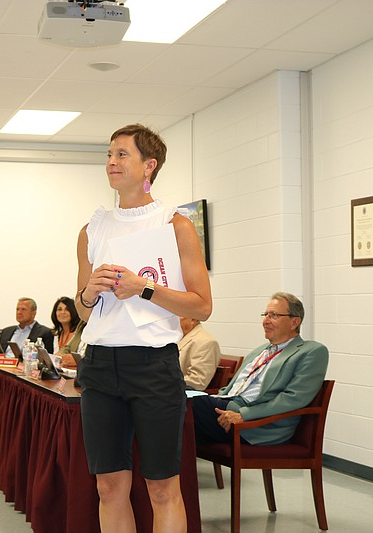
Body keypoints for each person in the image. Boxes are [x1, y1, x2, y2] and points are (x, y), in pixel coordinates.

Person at [74, 124, 212, 533]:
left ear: (148, 165)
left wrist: (144, 288)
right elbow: (84, 314)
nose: (112, 163)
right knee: (109, 485)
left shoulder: (176, 225)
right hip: (99, 365)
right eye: (109, 155)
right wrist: (89, 292)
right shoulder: (91, 230)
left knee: (162, 487)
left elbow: (202, 305)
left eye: (122, 155)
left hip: (153, 366)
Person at [192, 292, 328, 446]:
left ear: (294, 322)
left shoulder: (311, 351)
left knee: (178, 401)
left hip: (255, 425)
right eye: (265, 315)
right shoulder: (259, 351)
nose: (266, 321)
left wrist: (243, 415)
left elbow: (293, 398)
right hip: (225, 407)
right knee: (179, 399)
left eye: (274, 315)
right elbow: (234, 388)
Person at [178, 317, 221, 391]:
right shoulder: (175, 338)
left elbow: (198, 382)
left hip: (181, 395)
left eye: (176, 316)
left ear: (193, 319)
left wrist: (162, 383)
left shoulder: (206, 342)